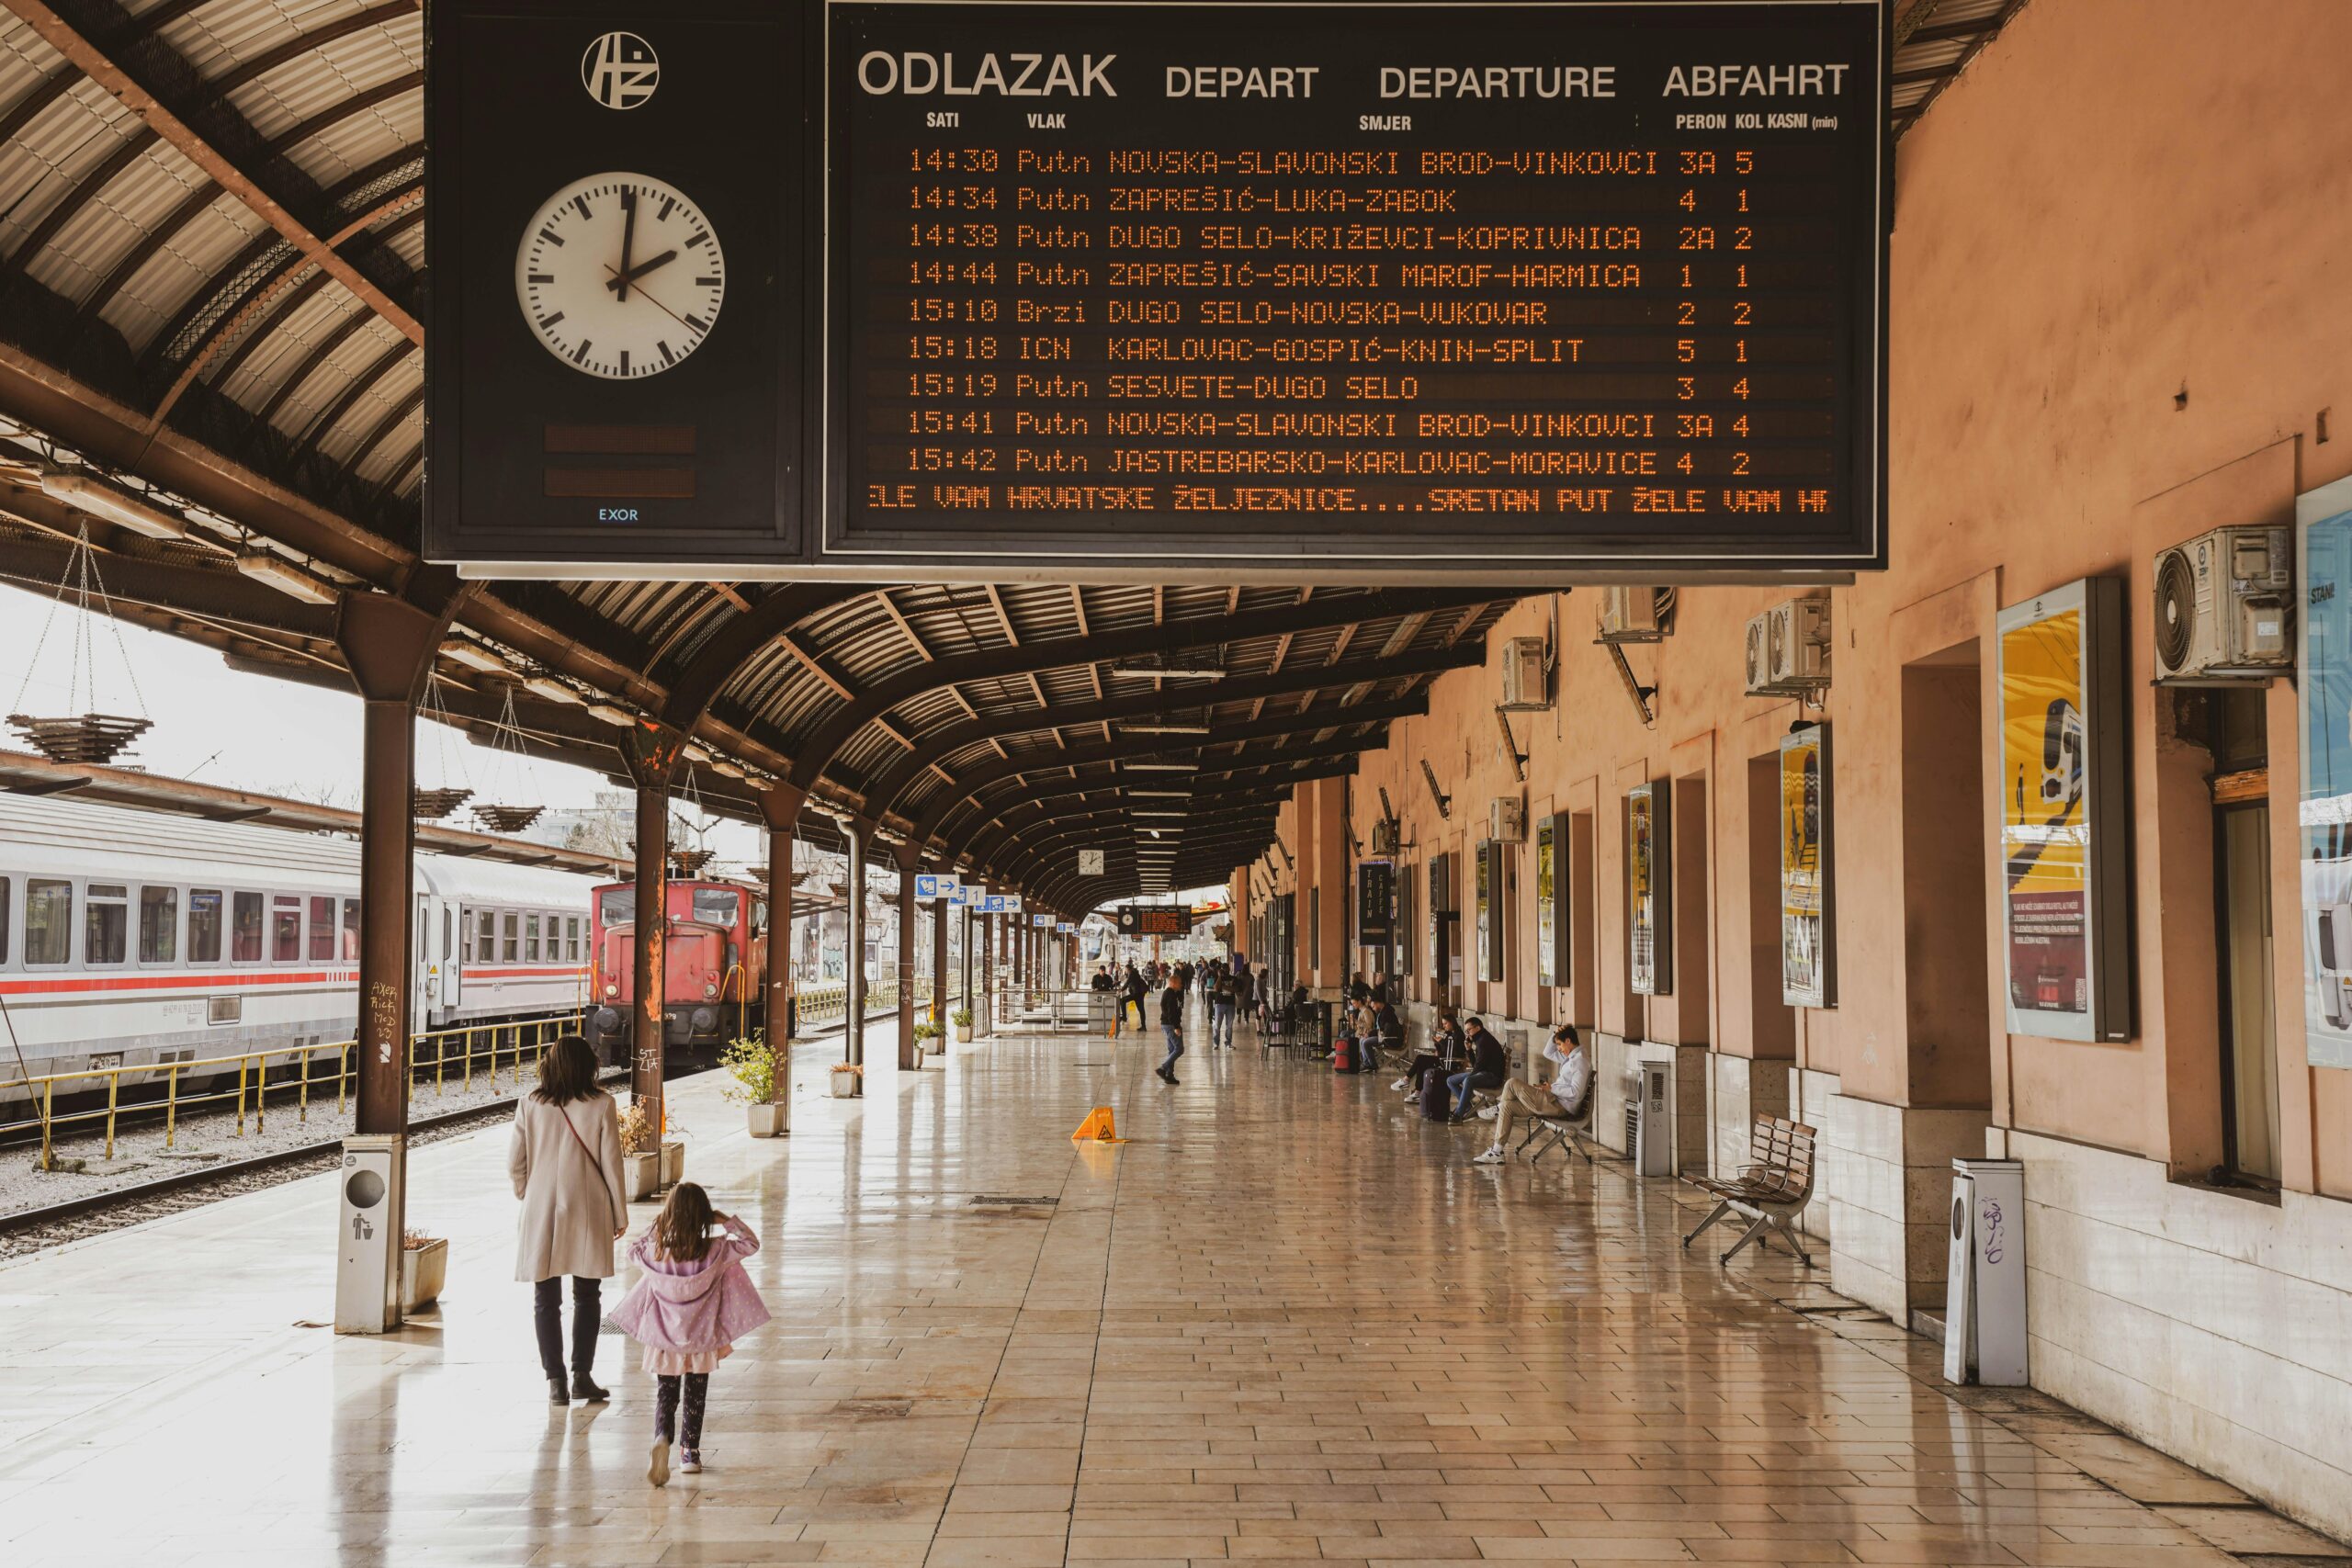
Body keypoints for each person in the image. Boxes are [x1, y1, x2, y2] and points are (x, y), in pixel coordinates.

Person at [608, 1182, 772, 1485]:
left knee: (666, 1392)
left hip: (663, 1339)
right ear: (703, 1217)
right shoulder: (717, 1251)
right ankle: (689, 1453)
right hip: (701, 1337)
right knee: (695, 1395)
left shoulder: (657, 1253)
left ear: (670, 1216)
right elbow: (751, 1244)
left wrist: (658, 1224)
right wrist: (726, 1221)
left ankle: (662, 1437)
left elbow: (632, 1250)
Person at [509, 1034, 628, 1404]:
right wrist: (619, 1213)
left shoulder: (530, 1103)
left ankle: (555, 1381)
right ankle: (581, 1376)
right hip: (588, 1205)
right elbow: (612, 1164)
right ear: (587, 1065)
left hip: (541, 1205)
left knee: (545, 1296)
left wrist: (526, 1192)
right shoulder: (602, 1105)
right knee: (587, 1295)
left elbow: (516, 1161)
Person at [1474, 1025, 1591, 1164]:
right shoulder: (1571, 1056)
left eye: (1559, 1044)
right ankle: (1497, 1151)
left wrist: (1551, 1088)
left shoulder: (1579, 1061)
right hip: (1552, 1101)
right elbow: (1548, 1052)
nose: (1558, 1048)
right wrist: (1555, 1033)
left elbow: (1575, 1091)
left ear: (1568, 1041)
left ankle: (1497, 1109)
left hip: (1559, 1106)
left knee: (1512, 1083)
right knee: (1507, 1106)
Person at [1445, 1016, 1510, 1122]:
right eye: (1466, 1031)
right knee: (1450, 1080)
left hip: (1493, 1077)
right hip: (1484, 1073)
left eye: (1469, 1030)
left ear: (1478, 1028)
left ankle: (1458, 1115)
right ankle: (1468, 1109)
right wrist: (1469, 1050)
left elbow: (1478, 1067)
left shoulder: (1484, 1041)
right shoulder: (1480, 1039)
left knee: (1468, 1080)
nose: (1468, 1033)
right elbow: (1477, 1065)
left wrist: (1470, 1078)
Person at [1156, 969, 1186, 1084]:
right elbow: (1171, 1012)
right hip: (1170, 1025)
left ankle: (1169, 1075)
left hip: (1168, 1024)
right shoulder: (1170, 994)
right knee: (1179, 1049)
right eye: (1179, 983)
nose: (1181, 985)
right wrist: (1176, 1027)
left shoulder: (1173, 993)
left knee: (1172, 1050)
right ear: (1173, 983)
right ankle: (1164, 1068)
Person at [1210, 962, 1238, 1049]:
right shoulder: (1217, 978)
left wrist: (1224, 987)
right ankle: (1216, 1043)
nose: (1226, 970)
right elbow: (1216, 988)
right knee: (1217, 1025)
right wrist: (1219, 977)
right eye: (1224, 968)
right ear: (1221, 970)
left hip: (1231, 1004)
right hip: (1219, 1004)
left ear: (1229, 969)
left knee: (1229, 1026)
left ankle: (1228, 1043)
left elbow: (1235, 989)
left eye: (1227, 968)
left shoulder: (1234, 978)